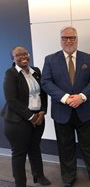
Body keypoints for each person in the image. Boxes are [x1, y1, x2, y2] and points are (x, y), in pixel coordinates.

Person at [41, 26, 90, 187]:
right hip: (62, 112)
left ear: (77, 39)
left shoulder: (88, 59)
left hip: (85, 110)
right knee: (65, 148)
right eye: (65, 38)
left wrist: (82, 97)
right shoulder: (50, 59)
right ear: (60, 39)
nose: (68, 41)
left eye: (72, 38)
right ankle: (68, 179)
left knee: (88, 147)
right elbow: (46, 82)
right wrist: (65, 98)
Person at [1, 46, 51, 187]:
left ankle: (39, 176)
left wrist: (42, 111)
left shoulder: (36, 71)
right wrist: (31, 117)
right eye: (18, 55)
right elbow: (12, 100)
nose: (23, 56)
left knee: (35, 147)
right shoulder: (10, 74)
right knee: (19, 154)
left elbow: (43, 93)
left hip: (38, 117)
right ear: (13, 58)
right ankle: (20, 183)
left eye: (25, 53)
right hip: (17, 121)